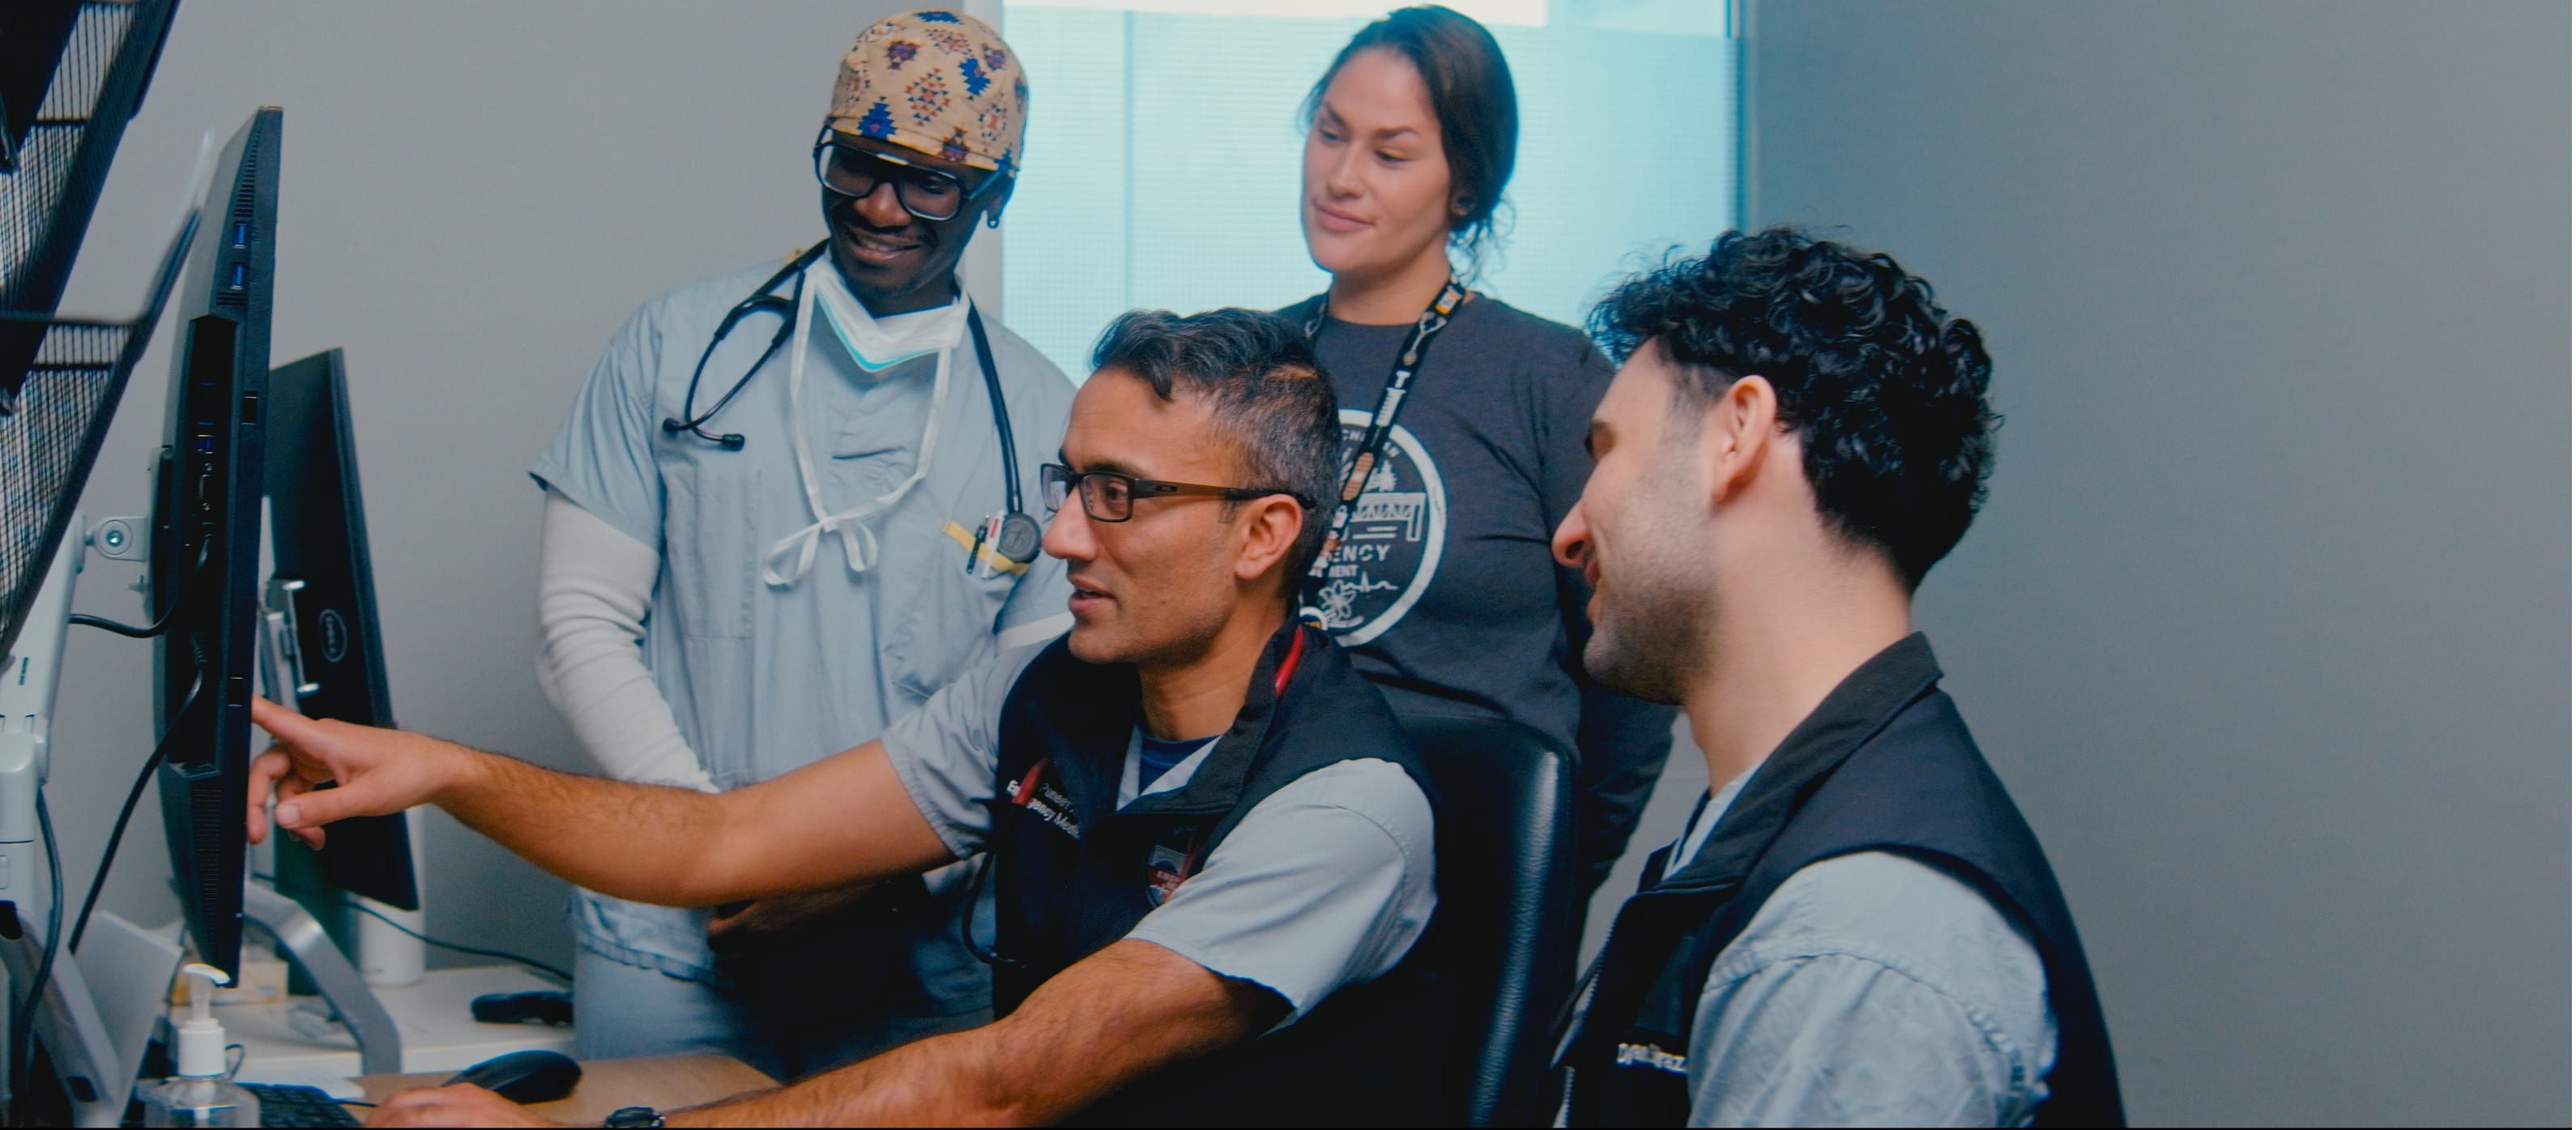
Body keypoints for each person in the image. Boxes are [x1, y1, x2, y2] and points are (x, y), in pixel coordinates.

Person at [247, 309, 1444, 1128]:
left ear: (1263, 534)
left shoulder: (1342, 811)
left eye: (1121, 494)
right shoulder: (1047, 689)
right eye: (1070, 482)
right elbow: (722, 841)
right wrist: (444, 771)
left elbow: (1005, 1084)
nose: (1063, 534)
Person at [528, 11, 1073, 1077]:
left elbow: (1042, 712)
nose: (880, 205)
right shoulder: (677, 347)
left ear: (996, 196)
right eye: (857, 162)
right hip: (672, 937)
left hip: (913, 954)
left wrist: (878, 875)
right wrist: (712, 847)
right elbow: (577, 621)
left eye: (931, 183)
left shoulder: (1049, 420)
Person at [1549, 228, 2124, 1126]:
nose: (1569, 533)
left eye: (1607, 450)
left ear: (1736, 433)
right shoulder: (1779, 832)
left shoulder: (1850, 938)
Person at [1281, 4, 1674, 903]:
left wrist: (1553, 880)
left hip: (1473, 880)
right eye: (1330, 133)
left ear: (1465, 186)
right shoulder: (1249, 361)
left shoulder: (1550, 376)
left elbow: (1635, 670)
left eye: (1391, 154)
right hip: (1258, 852)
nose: (1341, 176)